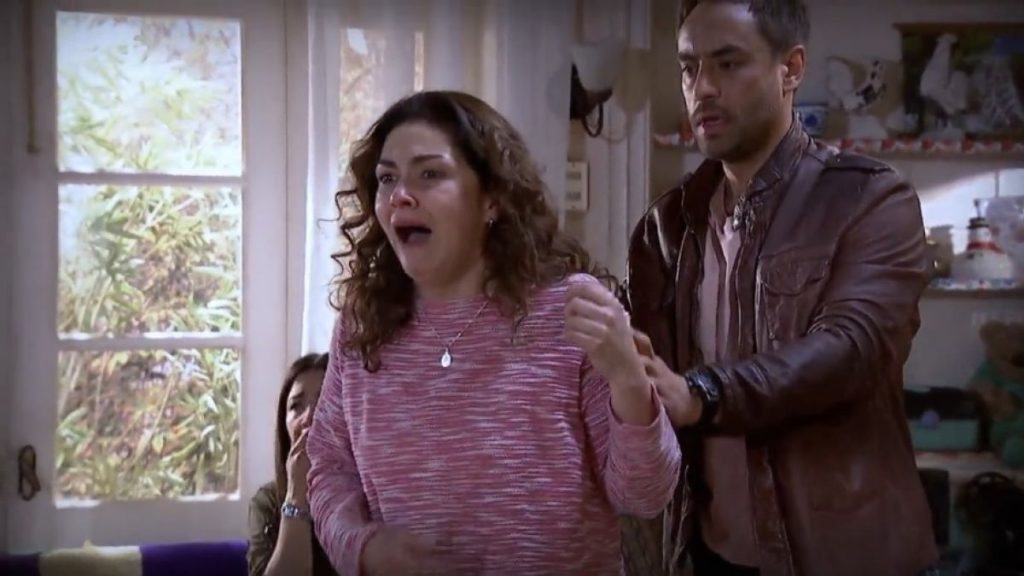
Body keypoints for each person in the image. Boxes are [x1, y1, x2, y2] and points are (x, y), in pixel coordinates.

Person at [619, 1, 939, 575]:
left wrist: (704, 393)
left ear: (790, 69)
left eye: (728, 63)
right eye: (689, 68)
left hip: (844, 557)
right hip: (709, 553)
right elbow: (646, 375)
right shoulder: (666, 226)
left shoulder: (869, 198)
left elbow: (852, 349)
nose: (702, 88)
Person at [305, 90, 681, 576]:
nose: (400, 195)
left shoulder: (571, 310)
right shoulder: (362, 323)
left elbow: (645, 496)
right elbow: (329, 469)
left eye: (430, 174)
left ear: (492, 199)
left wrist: (630, 382)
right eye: (387, 178)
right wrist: (365, 548)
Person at [247, 352, 335, 576]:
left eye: (324, 401)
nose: (309, 417)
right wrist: (297, 494)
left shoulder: (370, 493)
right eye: (296, 406)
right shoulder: (268, 501)